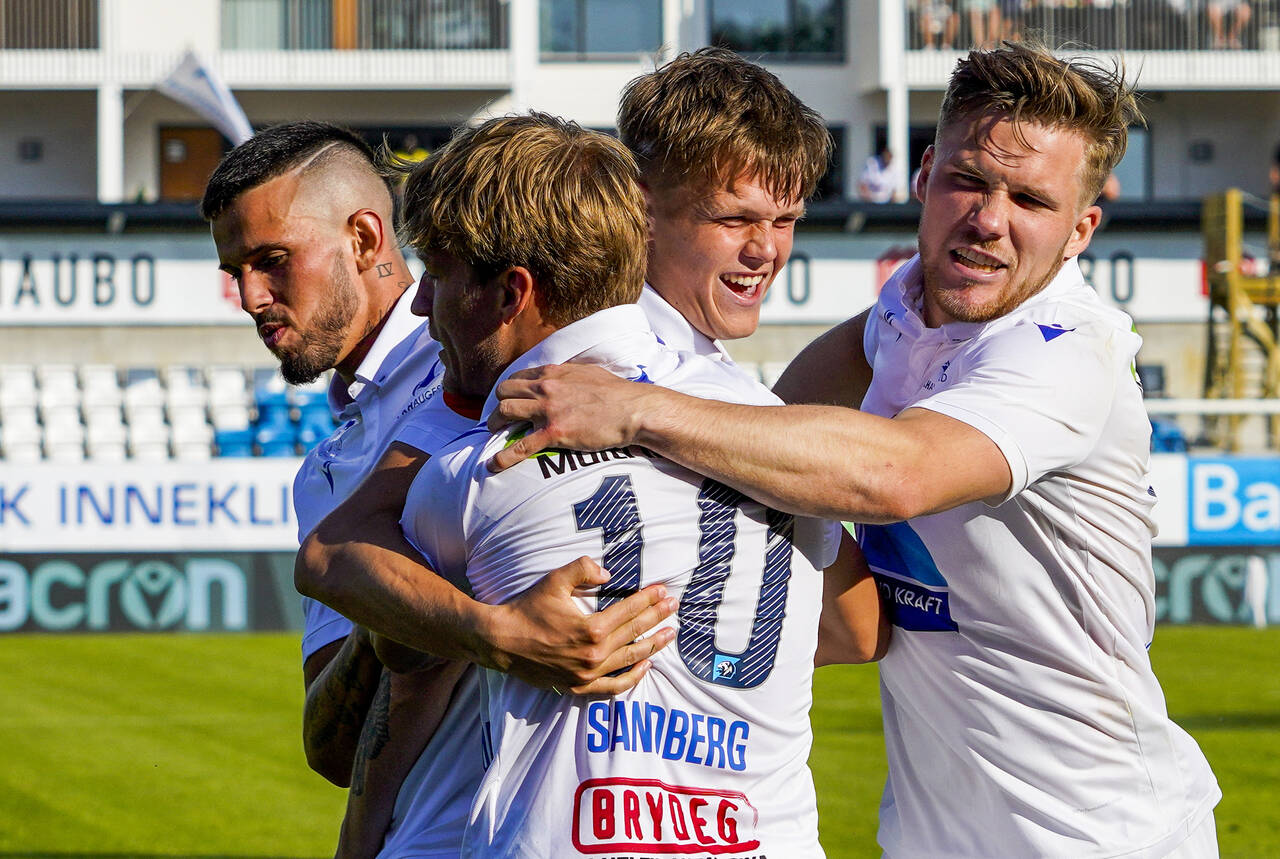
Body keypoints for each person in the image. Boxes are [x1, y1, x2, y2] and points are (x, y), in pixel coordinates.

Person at [488, 41, 1222, 857]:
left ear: (1081, 229)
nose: (988, 217)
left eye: (1030, 199)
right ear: (925, 175)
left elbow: (894, 474)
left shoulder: (1066, 350)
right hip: (931, 835)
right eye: (968, 180)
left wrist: (636, 409)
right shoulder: (904, 309)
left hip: (1098, 835)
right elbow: (773, 423)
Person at [303, 110, 885, 858]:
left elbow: (333, 559)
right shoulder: (771, 434)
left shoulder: (481, 474)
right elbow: (858, 626)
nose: (421, 306)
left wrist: (502, 638)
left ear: (510, 293)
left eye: (439, 277)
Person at [202, 121, 669, 858]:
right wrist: (403, 604)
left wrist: (406, 596)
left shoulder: (491, 349)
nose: (252, 296)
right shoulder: (326, 468)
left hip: (561, 819)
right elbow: (330, 742)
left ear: (363, 238)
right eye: (238, 271)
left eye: (272, 260)